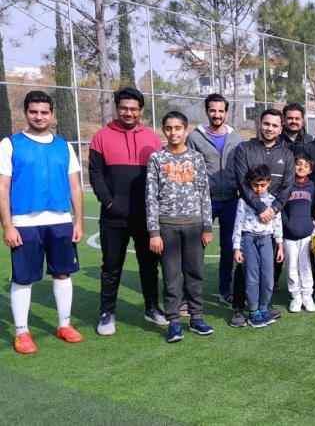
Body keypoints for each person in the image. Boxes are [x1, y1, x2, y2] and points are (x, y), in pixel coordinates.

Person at [0, 91, 85, 354]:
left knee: (62, 273)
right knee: (24, 278)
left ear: (52, 114)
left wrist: (78, 222)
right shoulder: (10, 144)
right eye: (34, 112)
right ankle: (22, 332)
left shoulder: (64, 145)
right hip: (24, 222)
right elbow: (2, 189)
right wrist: (8, 226)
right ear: (25, 113)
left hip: (60, 221)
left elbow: (74, 186)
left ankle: (64, 324)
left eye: (44, 112)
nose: (39, 117)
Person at [89, 87, 166, 336]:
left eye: (133, 108)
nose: (128, 112)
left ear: (141, 110)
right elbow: (96, 174)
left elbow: (159, 176)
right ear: (117, 108)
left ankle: (152, 307)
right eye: (124, 108)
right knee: (111, 266)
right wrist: (109, 202)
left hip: (145, 217)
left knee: (148, 265)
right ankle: (107, 312)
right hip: (113, 217)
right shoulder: (101, 137)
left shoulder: (153, 139)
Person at [146, 111, 214, 343]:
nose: (173, 132)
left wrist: (207, 227)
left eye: (178, 128)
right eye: (168, 128)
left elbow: (205, 193)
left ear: (186, 130)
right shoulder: (156, 158)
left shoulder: (196, 158)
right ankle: (174, 322)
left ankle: (196, 318)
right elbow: (151, 197)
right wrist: (154, 232)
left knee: (194, 274)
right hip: (167, 227)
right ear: (163, 130)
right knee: (171, 276)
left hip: (194, 226)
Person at [231, 108, 294, 324]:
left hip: (271, 219)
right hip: (251, 218)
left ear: (281, 128)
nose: (270, 128)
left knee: (266, 269)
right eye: (267, 124)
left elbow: (287, 186)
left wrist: (273, 208)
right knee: (245, 269)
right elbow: (242, 182)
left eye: (275, 125)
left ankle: (262, 306)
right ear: (260, 124)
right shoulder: (244, 149)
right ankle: (240, 308)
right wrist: (260, 207)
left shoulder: (286, 154)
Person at [186, 93, 244, 307]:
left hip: (231, 201)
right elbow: (189, 169)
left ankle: (225, 291)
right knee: (196, 249)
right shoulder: (194, 137)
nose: (217, 115)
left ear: (226, 113)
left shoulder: (237, 138)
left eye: (221, 111)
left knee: (229, 248)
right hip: (205, 201)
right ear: (207, 111)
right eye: (213, 110)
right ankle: (190, 294)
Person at [232, 164, 284, 328]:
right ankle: (253, 311)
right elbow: (238, 224)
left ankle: (263, 308)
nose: (259, 189)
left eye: (262, 185)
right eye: (255, 185)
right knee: (252, 277)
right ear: (249, 183)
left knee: (268, 277)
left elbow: (277, 224)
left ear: (269, 182)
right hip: (248, 239)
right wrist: (236, 248)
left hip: (267, 240)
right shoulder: (244, 200)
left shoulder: (273, 202)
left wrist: (280, 245)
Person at [282, 152, 315, 313]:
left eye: (306, 165)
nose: (301, 167)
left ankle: (307, 296)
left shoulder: (312, 186)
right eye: (299, 164)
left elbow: (313, 208)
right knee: (291, 267)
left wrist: (312, 223)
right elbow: (280, 209)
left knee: (305, 266)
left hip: (306, 234)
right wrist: (288, 225)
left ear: (310, 170)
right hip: (289, 235)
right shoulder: (286, 185)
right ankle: (295, 296)